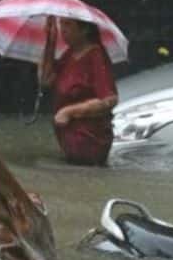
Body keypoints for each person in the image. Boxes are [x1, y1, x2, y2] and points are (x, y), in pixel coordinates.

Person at [38, 16, 118, 166]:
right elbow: (45, 79)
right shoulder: (69, 54)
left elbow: (109, 99)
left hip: (90, 141)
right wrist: (50, 40)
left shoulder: (96, 55)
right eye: (61, 24)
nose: (63, 30)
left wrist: (69, 111)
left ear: (85, 29)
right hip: (69, 140)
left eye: (68, 24)